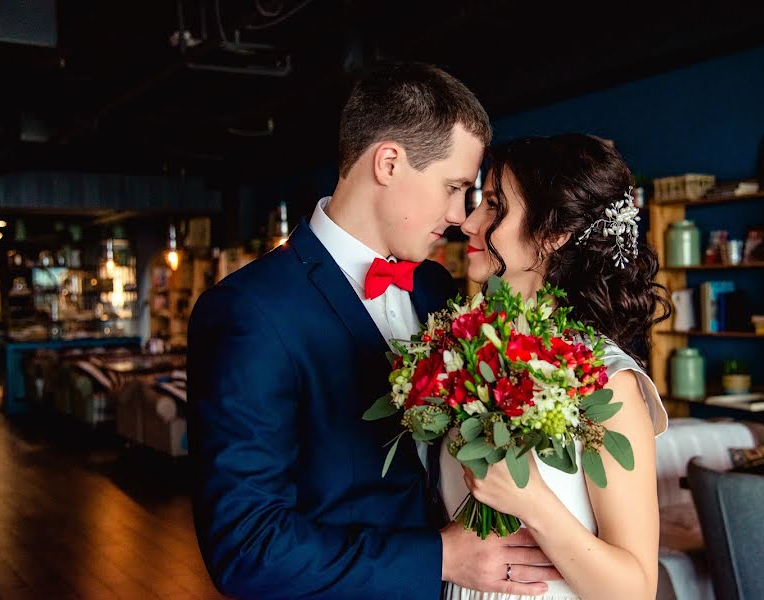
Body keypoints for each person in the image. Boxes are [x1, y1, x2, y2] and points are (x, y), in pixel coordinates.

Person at [187, 62, 561, 599]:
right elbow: (246, 547)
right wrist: (442, 556)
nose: (460, 215)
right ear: (388, 162)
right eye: (454, 187)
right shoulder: (248, 313)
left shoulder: (437, 289)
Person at [440, 133, 672, 600]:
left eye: (492, 204)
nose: (467, 222)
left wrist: (530, 502)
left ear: (553, 233)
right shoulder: (467, 356)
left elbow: (636, 590)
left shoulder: (607, 381)